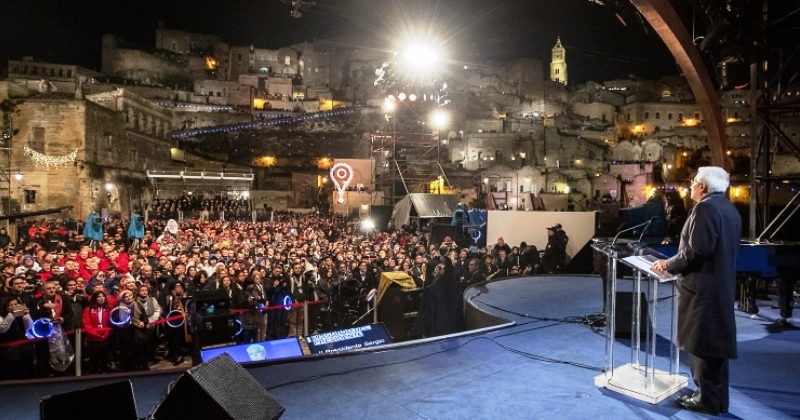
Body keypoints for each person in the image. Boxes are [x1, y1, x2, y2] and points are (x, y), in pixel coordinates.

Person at [652, 166, 741, 416]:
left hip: (701, 289)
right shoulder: (728, 208)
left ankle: (706, 399)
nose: (690, 185)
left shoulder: (706, 208)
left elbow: (696, 251)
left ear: (703, 186)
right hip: (718, 286)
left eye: (693, 182)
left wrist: (667, 264)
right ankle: (717, 398)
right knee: (715, 347)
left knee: (701, 344)